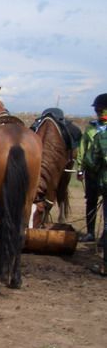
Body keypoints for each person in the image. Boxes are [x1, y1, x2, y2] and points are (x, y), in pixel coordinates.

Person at [77, 93, 107, 244]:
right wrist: (80, 167)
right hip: (92, 172)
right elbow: (83, 148)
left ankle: (105, 235)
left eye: (101, 111)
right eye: (97, 111)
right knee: (91, 200)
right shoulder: (91, 128)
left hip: (105, 172)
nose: (99, 113)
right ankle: (90, 232)